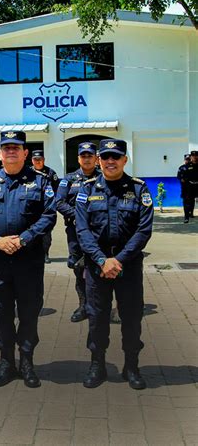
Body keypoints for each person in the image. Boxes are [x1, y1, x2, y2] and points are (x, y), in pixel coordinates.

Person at [0, 131, 57, 388]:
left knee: (29, 313)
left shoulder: (40, 182)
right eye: (6, 147)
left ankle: (27, 361)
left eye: (16, 147)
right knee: (0, 313)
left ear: (25, 153)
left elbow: (49, 215)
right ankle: (6, 361)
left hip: (28, 261)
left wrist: (23, 238)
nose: (11, 151)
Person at [75, 138, 153, 390]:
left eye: (116, 157)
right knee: (97, 318)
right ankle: (97, 364)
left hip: (127, 266)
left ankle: (132, 365)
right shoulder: (86, 190)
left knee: (131, 317)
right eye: (105, 157)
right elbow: (82, 229)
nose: (110, 161)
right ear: (99, 160)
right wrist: (101, 260)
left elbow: (143, 231)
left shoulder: (139, 189)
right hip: (97, 267)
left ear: (124, 160)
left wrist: (117, 261)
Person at [56, 142, 101, 322]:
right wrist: (79, 216)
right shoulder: (69, 179)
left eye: (90, 155)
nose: (87, 159)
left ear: (96, 159)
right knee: (79, 269)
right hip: (76, 233)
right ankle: (83, 306)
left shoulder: (103, 177)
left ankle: (98, 306)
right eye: (83, 156)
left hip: (98, 233)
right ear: (78, 158)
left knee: (99, 267)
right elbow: (59, 202)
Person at [31, 149, 59, 263]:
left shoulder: (51, 173)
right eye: (35, 159)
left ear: (44, 160)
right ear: (32, 160)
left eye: (40, 159)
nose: (38, 162)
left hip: (46, 209)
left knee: (46, 235)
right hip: (32, 208)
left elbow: (57, 190)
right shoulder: (28, 172)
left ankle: (45, 253)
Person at [178, 151, 198, 223]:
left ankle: (191, 213)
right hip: (189, 186)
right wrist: (183, 180)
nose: (194, 157)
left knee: (192, 201)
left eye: (196, 156)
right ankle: (186, 217)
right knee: (186, 201)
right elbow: (182, 176)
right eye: (193, 156)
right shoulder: (187, 166)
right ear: (191, 157)